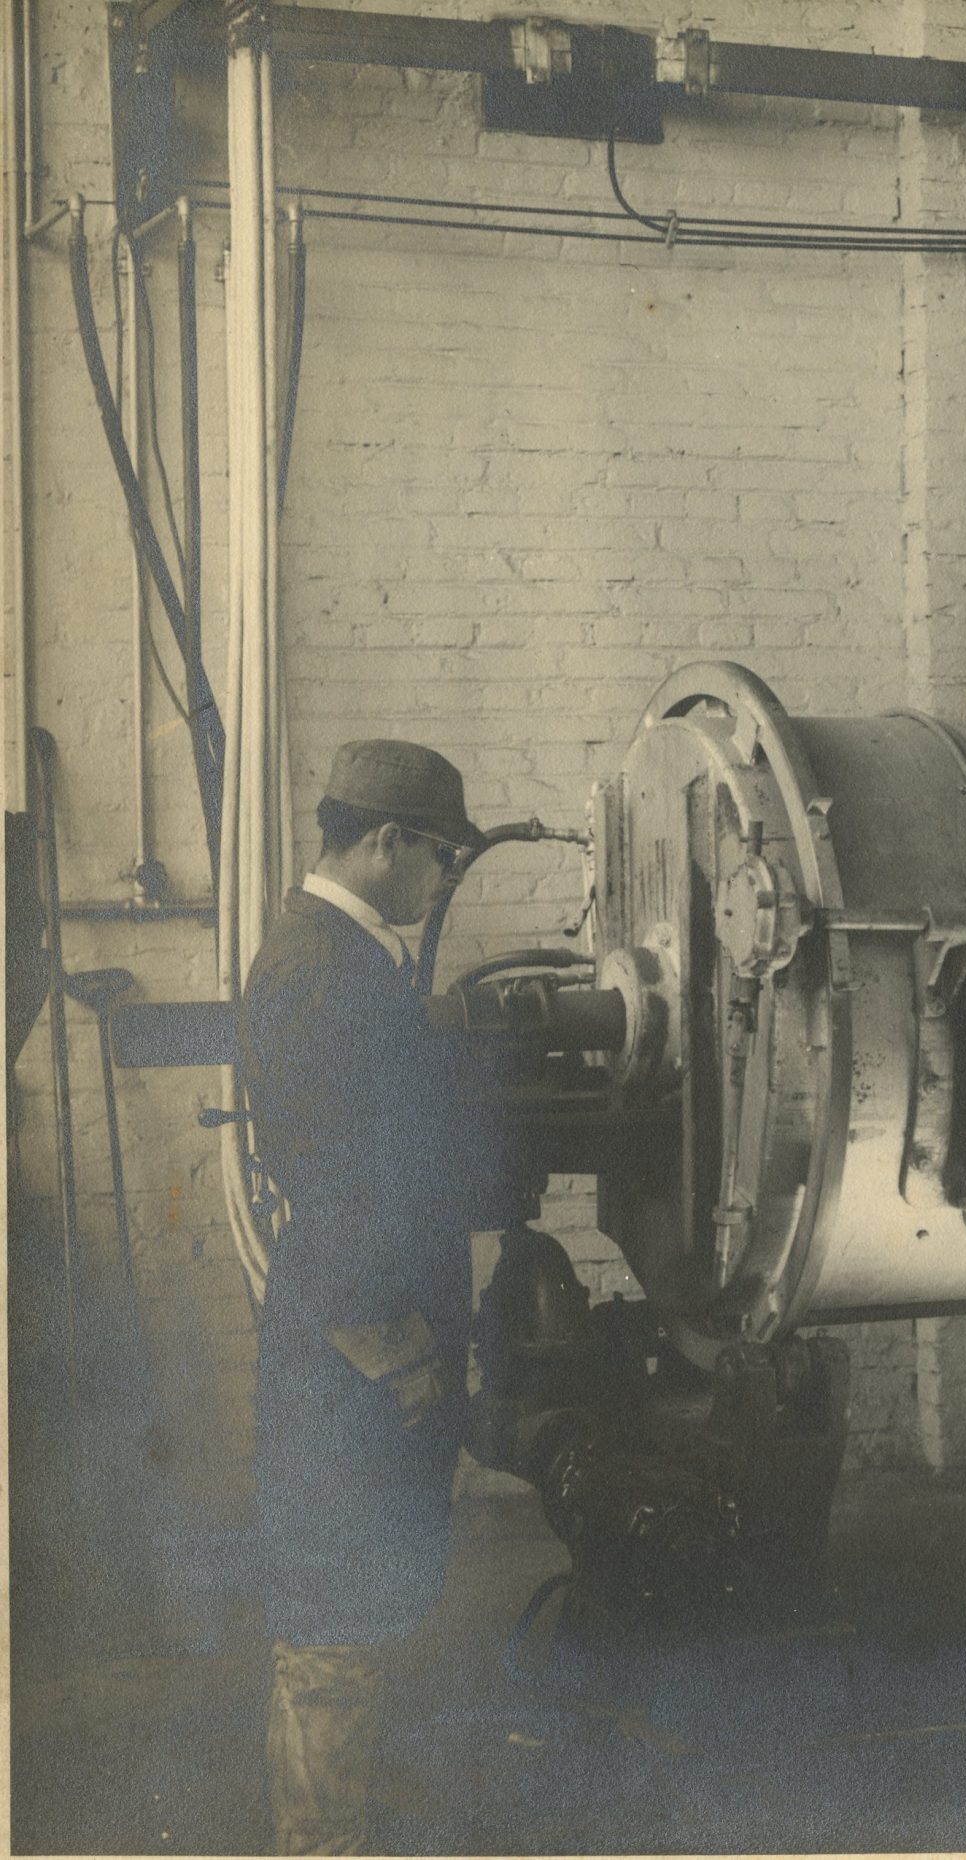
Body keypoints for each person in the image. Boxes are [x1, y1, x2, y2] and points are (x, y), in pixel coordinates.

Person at [240, 740, 509, 1853]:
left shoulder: (337, 956)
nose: (445, 881)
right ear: (389, 842)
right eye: (442, 858)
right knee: (331, 1618)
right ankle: (322, 1842)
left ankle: (341, 1819)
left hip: (361, 1335)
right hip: (354, 1347)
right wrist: (402, 1356)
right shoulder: (325, 971)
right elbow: (341, 1180)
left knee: (360, 1596)